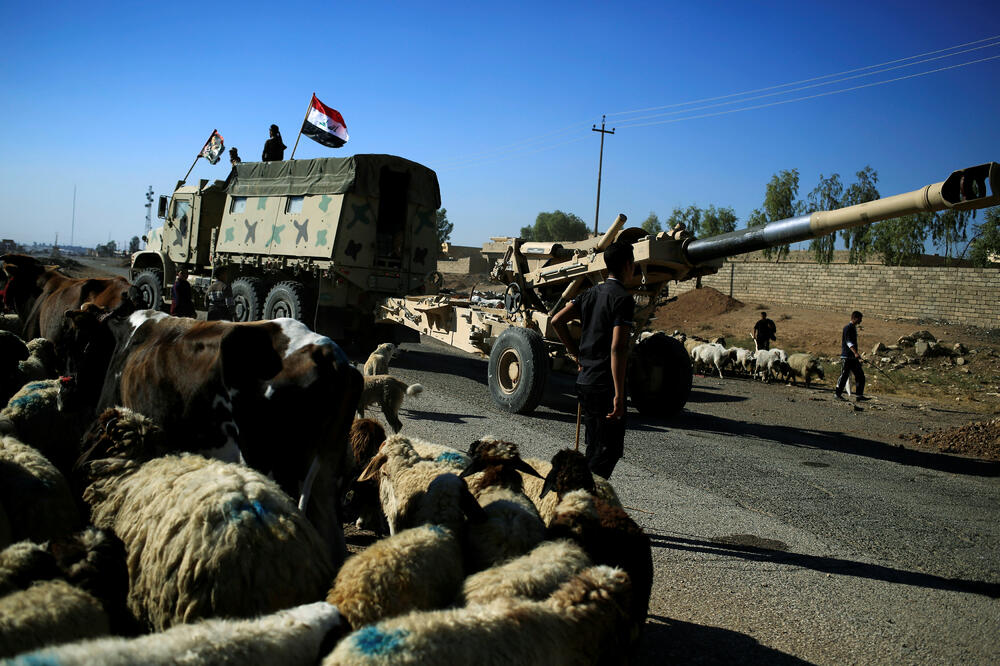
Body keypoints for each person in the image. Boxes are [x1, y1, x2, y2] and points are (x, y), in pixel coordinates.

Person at [551, 241, 636, 479]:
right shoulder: (623, 299)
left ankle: (581, 495)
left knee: (594, 446)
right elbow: (618, 348)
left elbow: (556, 320)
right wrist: (619, 394)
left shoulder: (590, 293)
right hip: (604, 385)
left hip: (586, 380)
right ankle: (582, 494)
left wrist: (576, 354)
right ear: (628, 266)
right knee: (608, 451)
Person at [835, 310, 868, 401]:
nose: (861, 321)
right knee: (844, 376)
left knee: (860, 375)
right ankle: (837, 394)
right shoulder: (847, 328)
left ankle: (859, 396)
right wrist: (856, 353)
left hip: (853, 357)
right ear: (855, 318)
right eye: (860, 319)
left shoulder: (853, 328)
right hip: (847, 356)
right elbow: (848, 342)